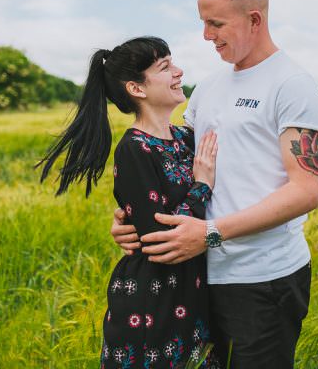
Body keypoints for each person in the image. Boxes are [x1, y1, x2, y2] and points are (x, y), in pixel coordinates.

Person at [111, 0, 318, 368]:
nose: (206, 36)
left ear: (254, 19)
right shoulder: (209, 88)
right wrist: (132, 217)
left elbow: (306, 190)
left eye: (216, 23)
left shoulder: (292, 86)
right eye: (202, 24)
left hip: (264, 281)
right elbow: (172, 164)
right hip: (199, 279)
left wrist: (209, 234)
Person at [38, 37, 221, 368]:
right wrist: (202, 185)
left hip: (193, 299)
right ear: (137, 89)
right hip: (153, 304)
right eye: (165, 67)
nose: (179, 71)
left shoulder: (184, 138)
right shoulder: (134, 148)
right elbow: (160, 236)